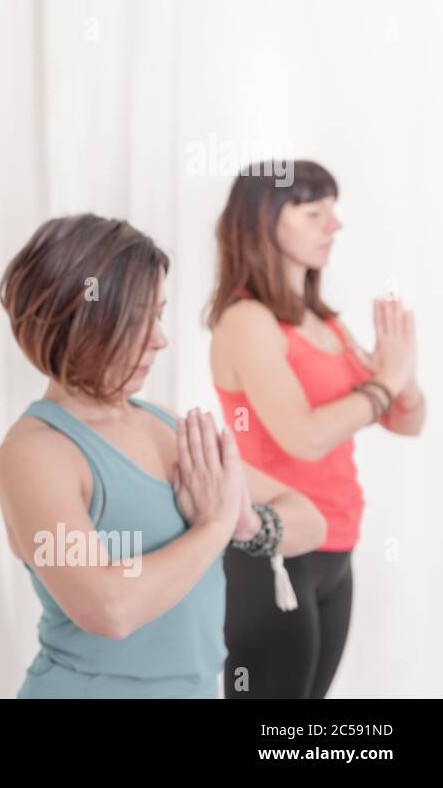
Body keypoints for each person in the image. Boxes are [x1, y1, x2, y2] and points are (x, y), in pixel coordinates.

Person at [0, 214, 325, 698]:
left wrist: (247, 525)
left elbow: (310, 520)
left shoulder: (168, 425)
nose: (160, 338)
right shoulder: (35, 454)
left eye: (160, 314)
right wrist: (214, 527)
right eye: (138, 318)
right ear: (78, 318)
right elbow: (110, 607)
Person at [208, 161, 425, 698]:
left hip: (336, 544)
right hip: (273, 548)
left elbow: (406, 421)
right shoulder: (246, 321)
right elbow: (302, 435)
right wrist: (382, 384)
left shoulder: (324, 322)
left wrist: (403, 374)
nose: (335, 225)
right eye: (313, 212)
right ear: (263, 222)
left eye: (333, 210)